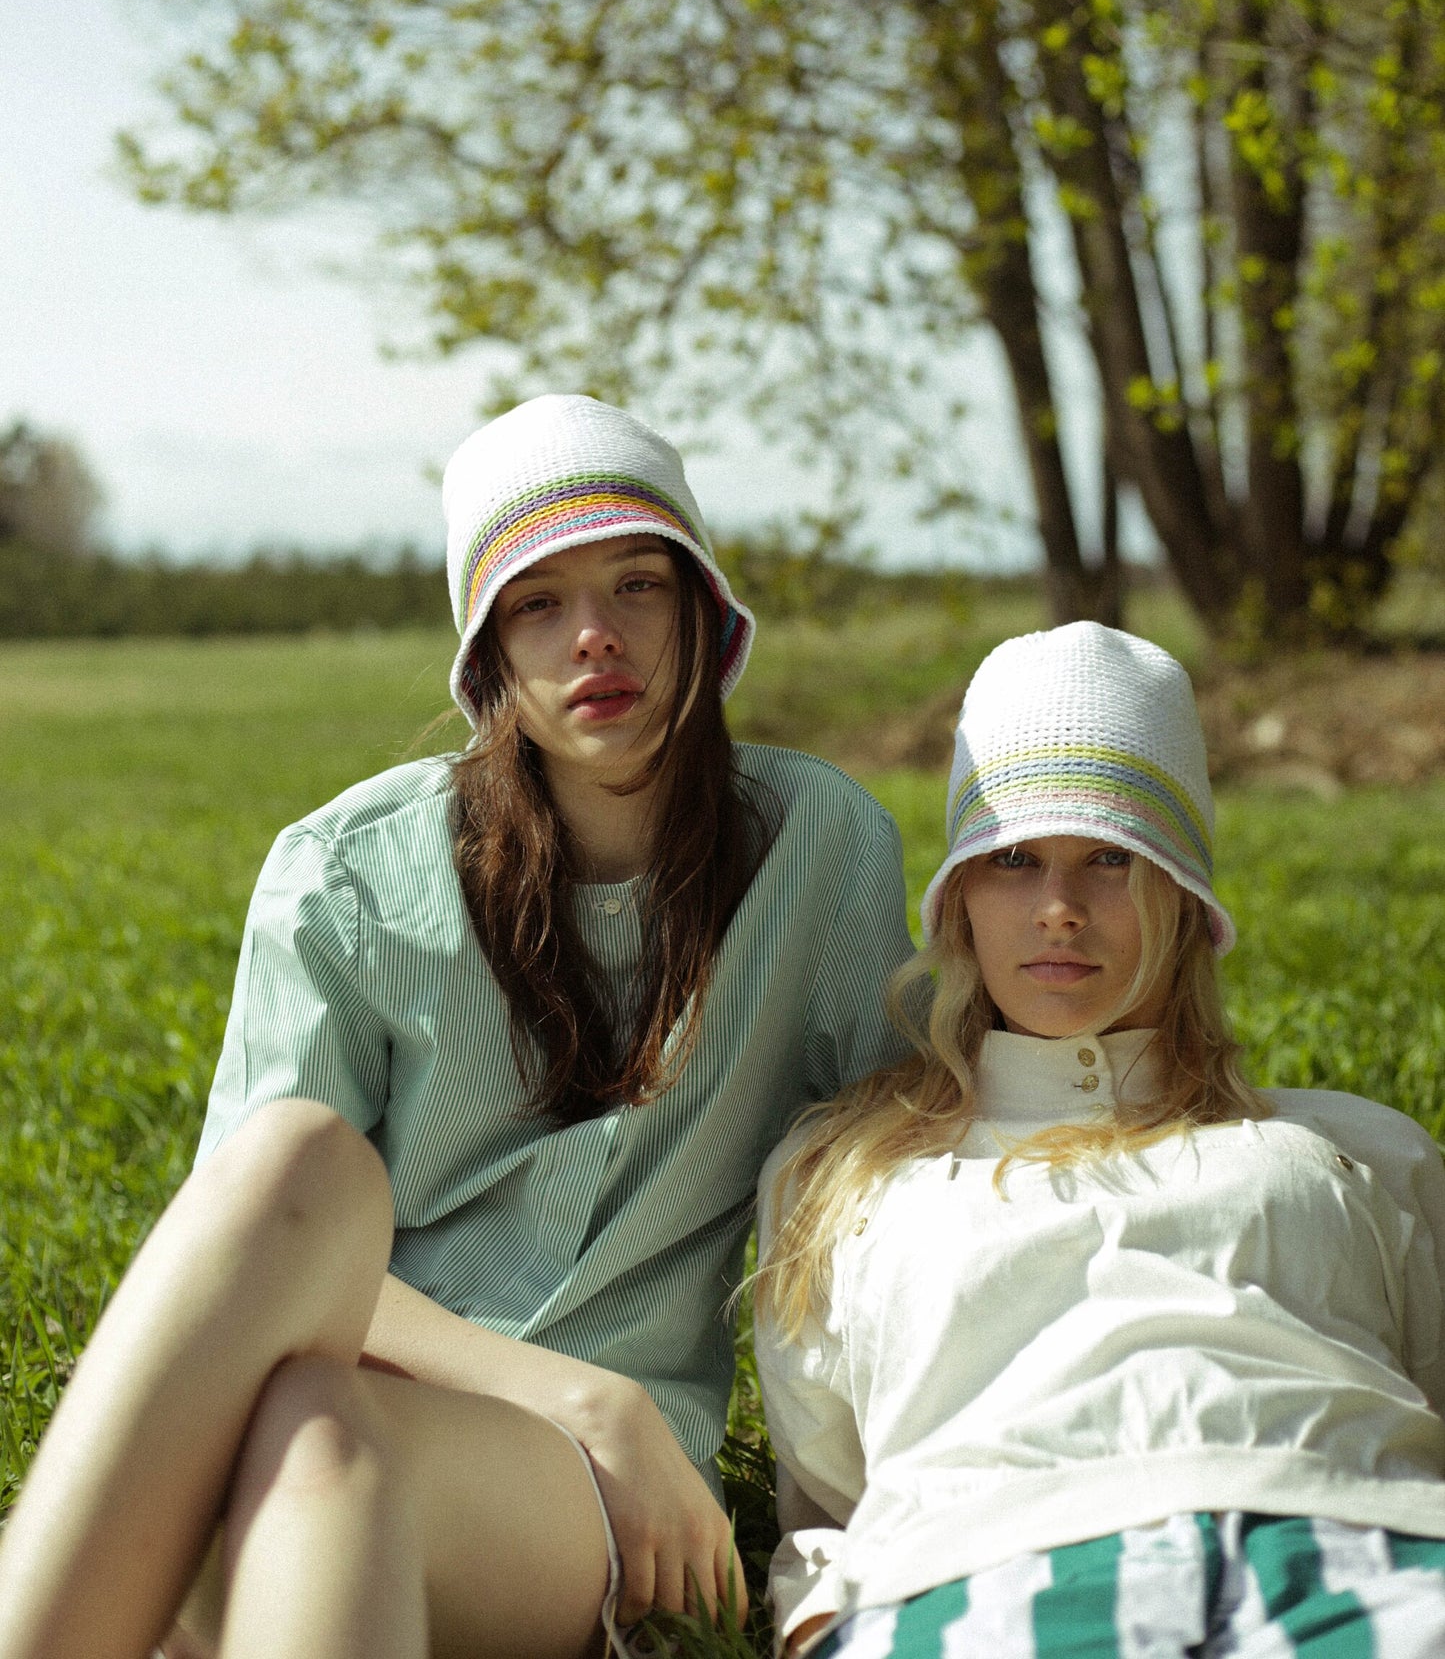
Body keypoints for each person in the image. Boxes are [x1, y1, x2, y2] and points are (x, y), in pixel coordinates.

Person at [0, 395, 915, 1659]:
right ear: (487, 654)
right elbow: (249, 1265)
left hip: (554, 1494)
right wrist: (577, 1392)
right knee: (287, 1174)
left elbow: (892, 1194)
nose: (593, 634)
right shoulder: (346, 871)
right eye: (536, 602)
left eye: (636, 582)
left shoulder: (820, 846)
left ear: (705, 614)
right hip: (389, 1408)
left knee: (326, 1439)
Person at [755, 622, 1445, 1659]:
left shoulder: (1354, 1150)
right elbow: (825, 1495)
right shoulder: (852, 1177)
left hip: (1356, 1541)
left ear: (1182, 893)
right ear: (959, 902)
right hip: (984, 1575)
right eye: (1013, 859)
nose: (1058, 908)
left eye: (1109, 858)